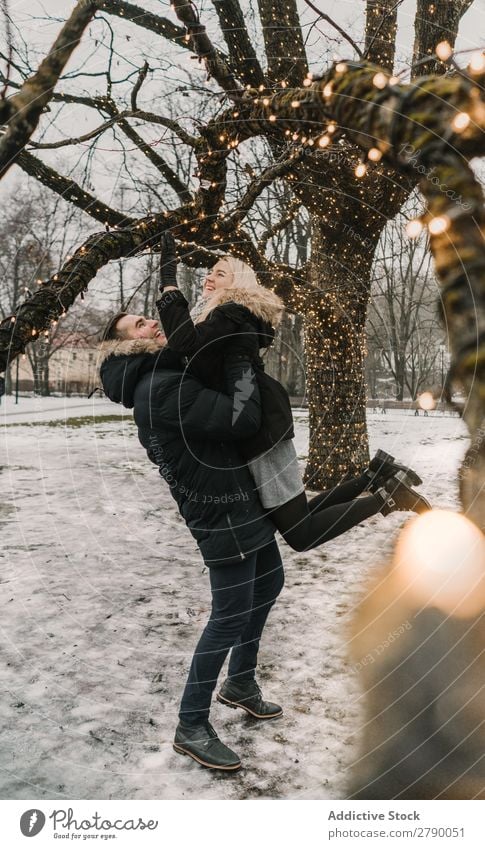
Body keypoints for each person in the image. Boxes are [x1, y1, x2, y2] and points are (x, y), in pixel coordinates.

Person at [156, 233, 431, 551]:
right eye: (210, 271)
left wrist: (168, 281)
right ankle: (375, 474)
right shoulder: (230, 315)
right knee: (299, 516)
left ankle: (391, 496)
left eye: (220, 273)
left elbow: (185, 342)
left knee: (301, 533)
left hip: (259, 427)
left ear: (238, 283)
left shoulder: (230, 312)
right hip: (260, 419)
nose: (209, 277)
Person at [99, 311, 285, 772]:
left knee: (269, 584)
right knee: (228, 617)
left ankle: (240, 684)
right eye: (139, 325)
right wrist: (239, 355)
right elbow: (240, 418)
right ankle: (192, 726)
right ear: (126, 345)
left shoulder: (169, 371)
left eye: (148, 317)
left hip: (239, 501)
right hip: (220, 510)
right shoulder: (160, 386)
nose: (151, 323)